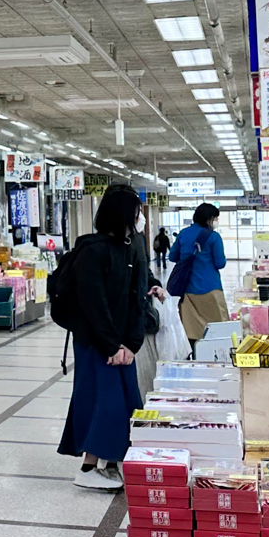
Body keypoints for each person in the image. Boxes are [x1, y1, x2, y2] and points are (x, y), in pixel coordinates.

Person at [58, 185, 163, 491]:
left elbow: (135, 296)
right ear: (123, 213)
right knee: (103, 402)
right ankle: (89, 468)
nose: (140, 217)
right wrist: (111, 345)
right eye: (136, 211)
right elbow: (93, 303)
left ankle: (110, 464)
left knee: (124, 402)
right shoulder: (92, 250)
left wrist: (131, 344)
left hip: (120, 344)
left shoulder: (129, 246)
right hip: (96, 342)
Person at [168, 201, 229, 342]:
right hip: (211, 289)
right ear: (209, 219)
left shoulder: (183, 234)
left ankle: (195, 360)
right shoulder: (214, 237)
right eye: (214, 218)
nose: (215, 222)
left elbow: (172, 257)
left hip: (188, 291)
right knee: (218, 331)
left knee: (193, 332)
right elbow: (220, 263)